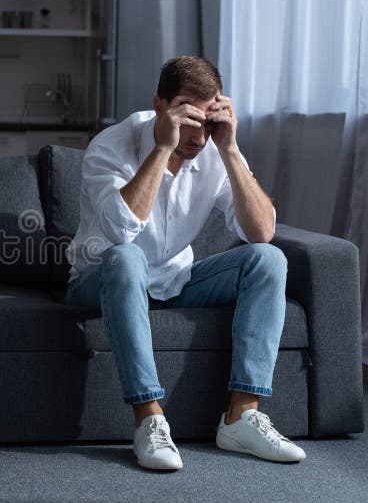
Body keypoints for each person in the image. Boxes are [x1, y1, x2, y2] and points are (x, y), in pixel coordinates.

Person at [65, 56, 306, 470]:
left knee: (268, 259)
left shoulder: (216, 146)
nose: (198, 135)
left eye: (208, 120)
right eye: (189, 119)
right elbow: (120, 233)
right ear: (161, 107)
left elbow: (261, 232)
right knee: (127, 258)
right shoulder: (111, 145)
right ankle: (149, 420)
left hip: (177, 281)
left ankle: (241, 416)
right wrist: (162, 146)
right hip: (102, 277)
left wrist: (229, 149)